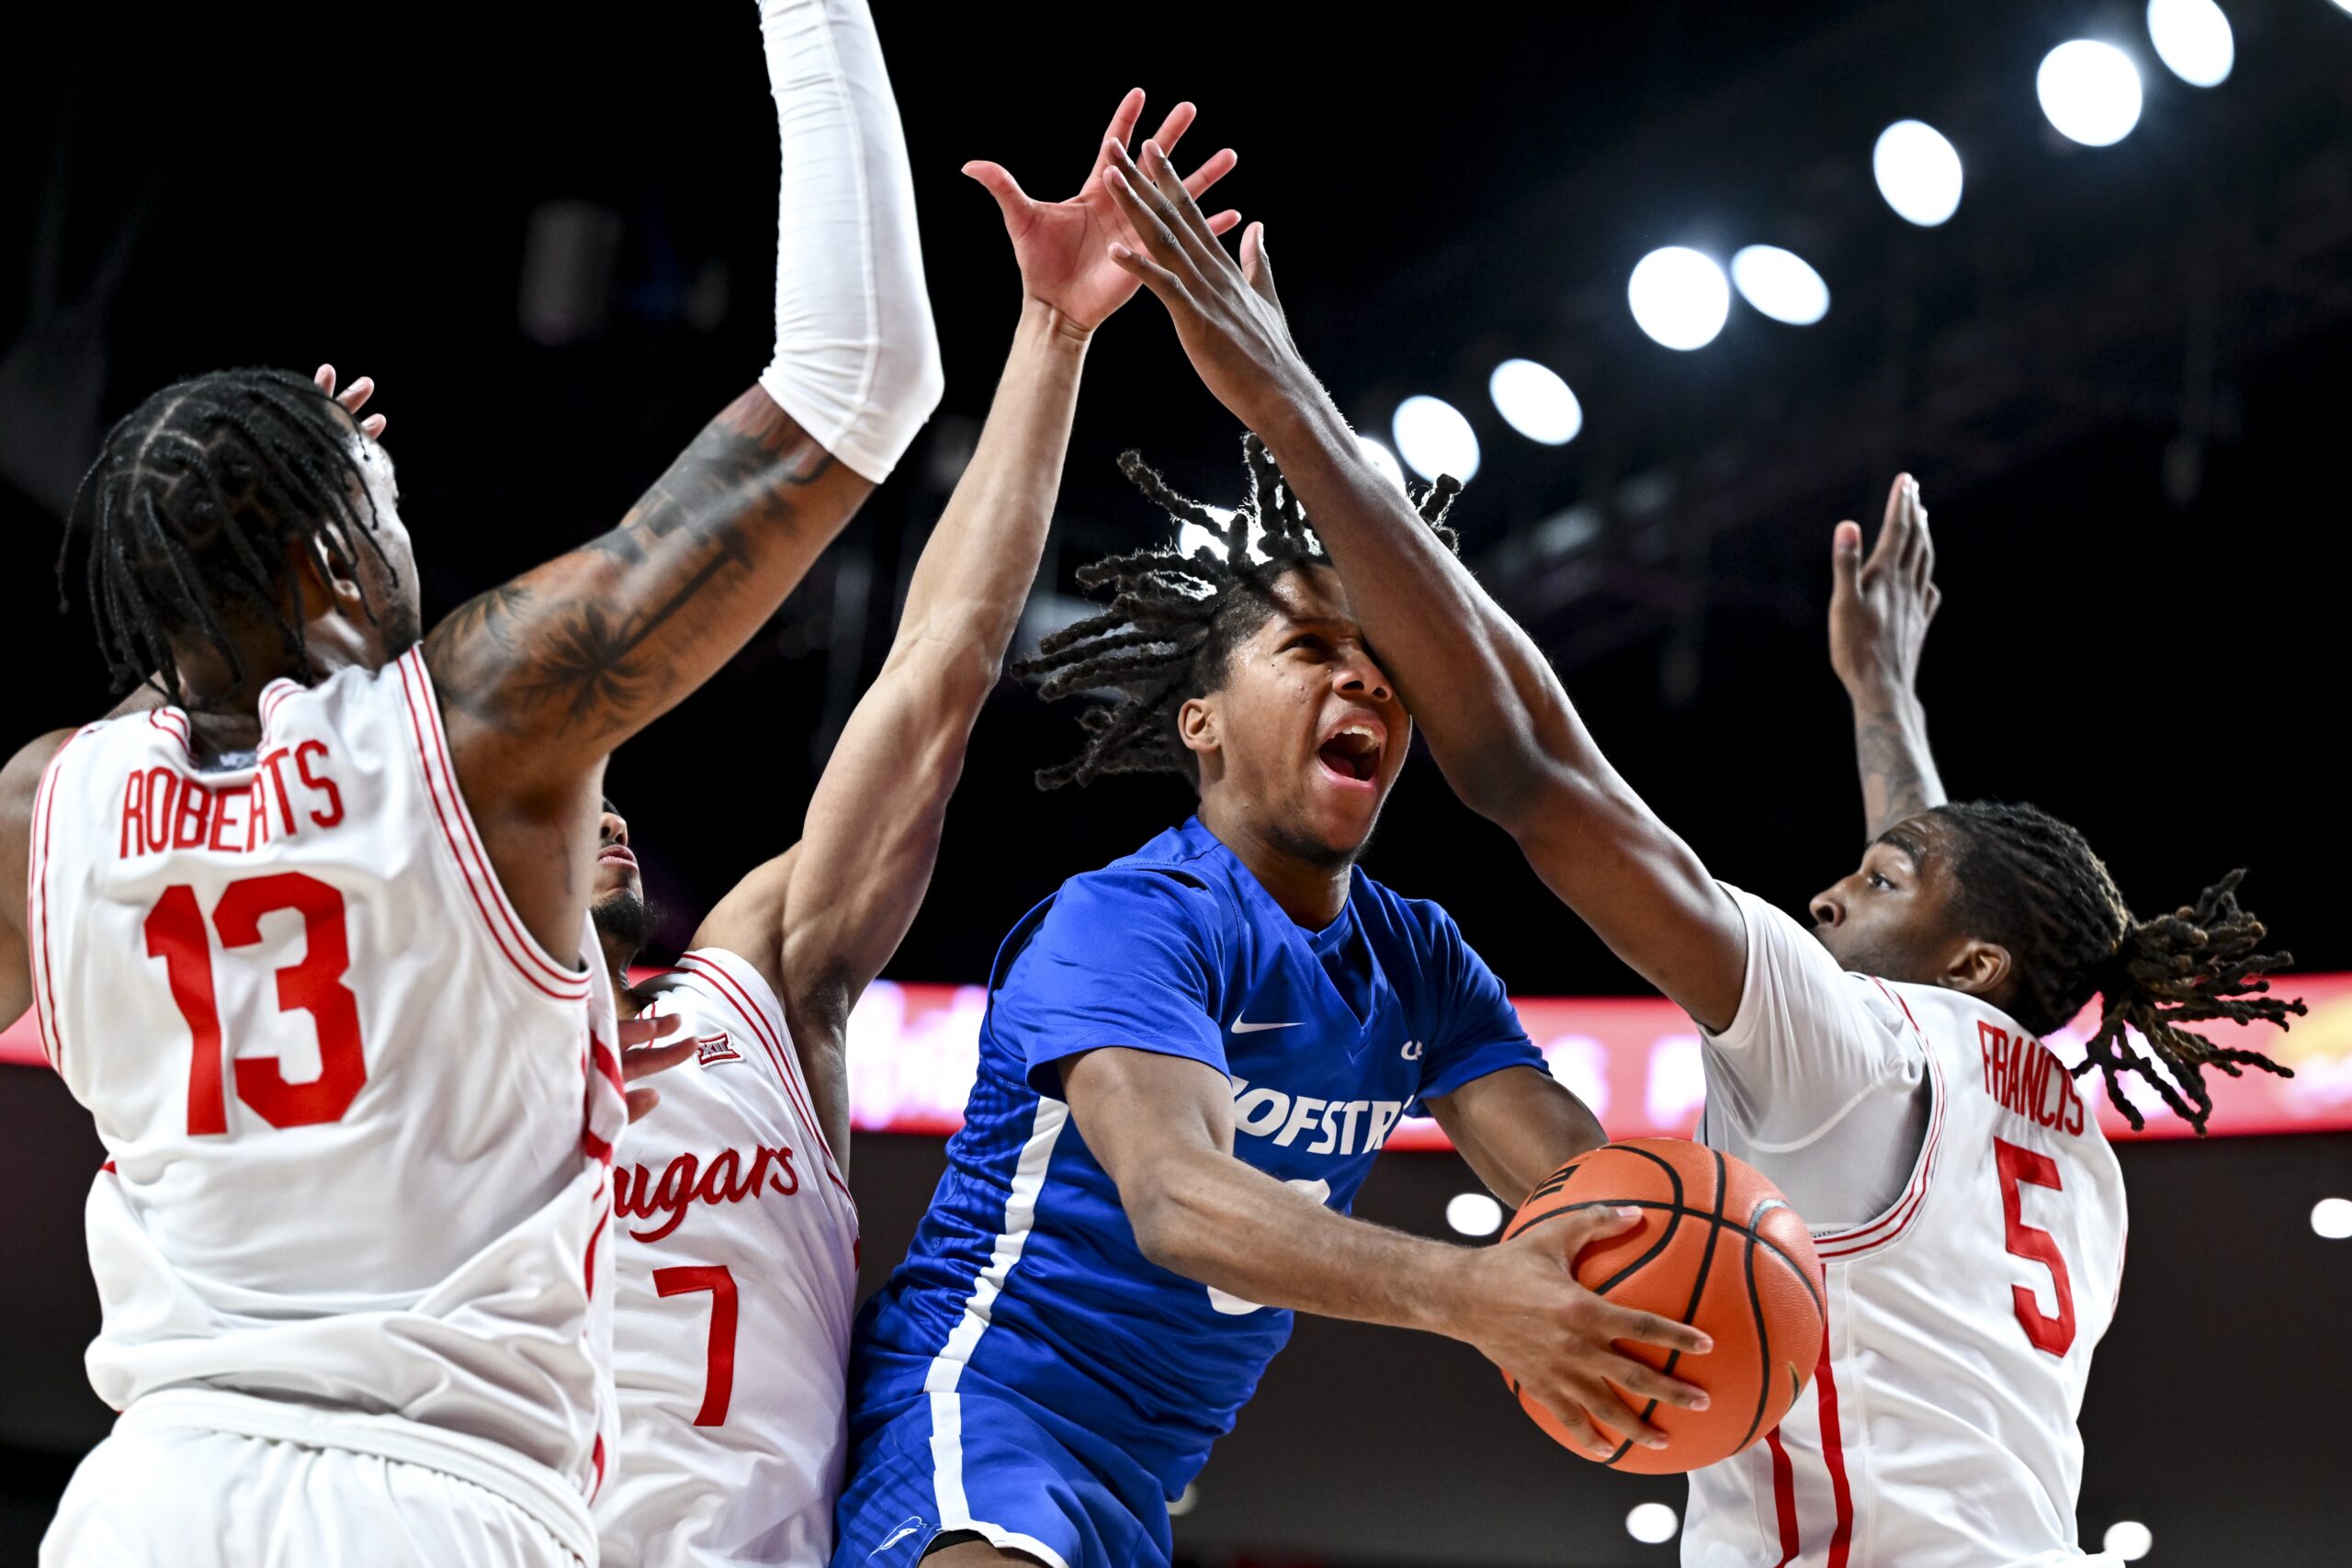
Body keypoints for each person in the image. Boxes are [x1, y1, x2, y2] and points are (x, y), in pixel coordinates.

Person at [1090, 145, 2302, 1566]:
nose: (1832, 888)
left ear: (1972, 957)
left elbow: (1534, 776)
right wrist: (1885, 702)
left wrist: (1294, 412)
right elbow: (1955, 925)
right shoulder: (2064, 1137)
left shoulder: (1854, 1045)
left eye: (1881, 881)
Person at [5, 0, 942, 1558]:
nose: (408, 524)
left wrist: (233, 553)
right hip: (433, 1501)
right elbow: (859, 378)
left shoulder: (54, 804)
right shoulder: (483, 726)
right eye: (379, 496)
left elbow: (203, 717)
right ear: (328, 557)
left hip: (147, 1498)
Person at [831, 215, 1713, 1568]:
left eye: (1385, 663)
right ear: (1200, 721)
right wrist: (1472, 1295)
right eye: (1311, 650)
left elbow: (1593, 1195)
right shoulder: (1131, 921)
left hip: (1140, 1482)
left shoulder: (1415, 960)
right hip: (982, 1407)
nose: (1365, 679)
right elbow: (1178, 1204)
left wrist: (1723, 1276)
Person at [588, 83, 1242, 1568]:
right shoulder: (442, 1060)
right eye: (570, 806)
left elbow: (938, 670)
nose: (609, 810)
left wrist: (1055, 338)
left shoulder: (755, 976)